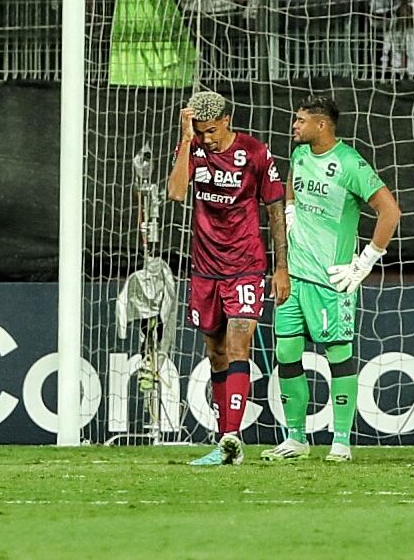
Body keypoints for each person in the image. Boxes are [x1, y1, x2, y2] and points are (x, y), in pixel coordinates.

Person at [262, 94, 401, 463]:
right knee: (286, 352)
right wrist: (290, 212)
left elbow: (390, 211)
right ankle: (295, 438)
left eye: (300, 120)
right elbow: (292, 182)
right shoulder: (300, 154)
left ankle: (341, 440)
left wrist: (365, 261)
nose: (294, 126)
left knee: (338, 354)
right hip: (293, 276)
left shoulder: (350, 164)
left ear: (321, 125)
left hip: (330, 280)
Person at [166, 90, 288, 466]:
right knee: (216, 353)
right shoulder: (193, 148)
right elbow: (175, 193)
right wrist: (187, 140)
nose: (208, 139)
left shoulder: (254, 152)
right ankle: (225, 444)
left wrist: (280, 266)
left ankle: (232, 437)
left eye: (211, 131)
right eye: (201, 132)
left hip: (245, 265)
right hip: (204, 268)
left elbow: (275, 210)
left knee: (238, 345)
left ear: (227, 120)